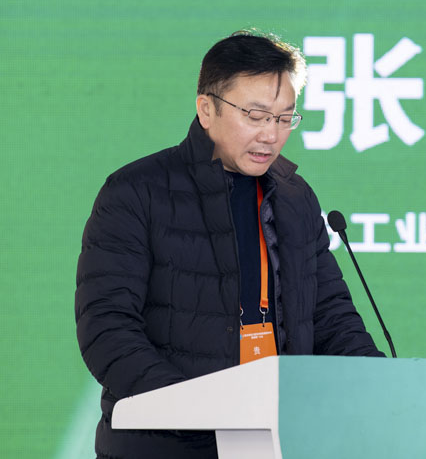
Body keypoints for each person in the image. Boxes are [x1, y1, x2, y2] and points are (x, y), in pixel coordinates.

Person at [75, 30, 383, 458]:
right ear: (207, 109)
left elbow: (332, 318)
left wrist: (383, 388)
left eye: (284, 118)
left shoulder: (296, 198)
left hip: (277, 439)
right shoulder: (136, 192)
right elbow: (107, 327)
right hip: (165, 445)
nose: (271, 135)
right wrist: (193, 410)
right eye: (256, 116)